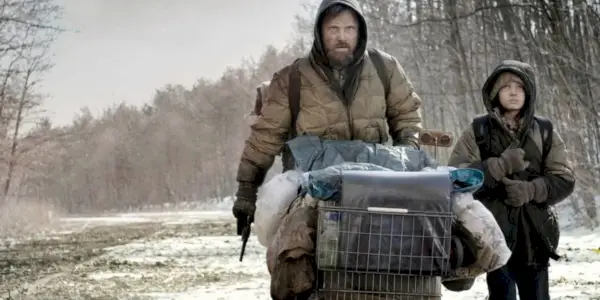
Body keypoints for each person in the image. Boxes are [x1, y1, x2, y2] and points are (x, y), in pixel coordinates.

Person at [232, 0, 423, 233]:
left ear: (360, 32)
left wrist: (404, 159)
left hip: (376, 180)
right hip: (309, 188)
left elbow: (407, 119)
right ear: (319, 32)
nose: (341, 37)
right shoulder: (292, 79)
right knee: (295, 248)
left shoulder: (385, 68)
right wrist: (246, 191)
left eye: (349, 29)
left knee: (408, 244)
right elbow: (265, 139)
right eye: (333, 29)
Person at [448, 60, 575, 300]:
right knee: (501, 294)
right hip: (493, 234)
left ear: (529, 92)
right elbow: (456, 177)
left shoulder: (545, 131)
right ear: (495, 93)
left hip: (536, 235)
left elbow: (564, 178)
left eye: (520, 86)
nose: (514, 92)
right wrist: (497, 167)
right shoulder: (478, 130)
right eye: (506, 87)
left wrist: (532, 189)